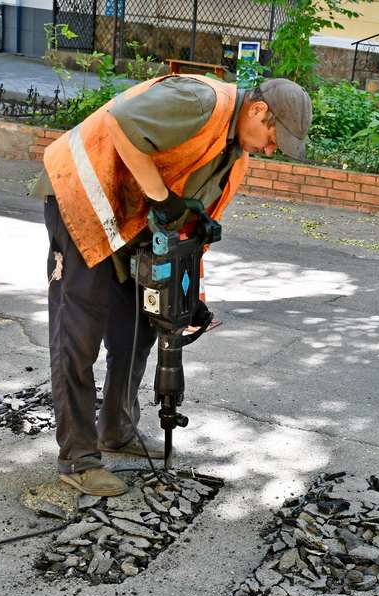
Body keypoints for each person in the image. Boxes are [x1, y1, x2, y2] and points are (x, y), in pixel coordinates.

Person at [35, 74, 312, 497]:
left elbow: (190, 235)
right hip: (81, 197)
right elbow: (118, 123)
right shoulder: (201, 101)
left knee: (139, 328)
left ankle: (117, 430)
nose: (271, 151)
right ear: (258, 111)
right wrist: (161, 197)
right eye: (274, 139)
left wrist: (189, 298)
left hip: (128, 221)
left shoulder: (234, 159)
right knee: (80, 335)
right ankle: (78, 458)